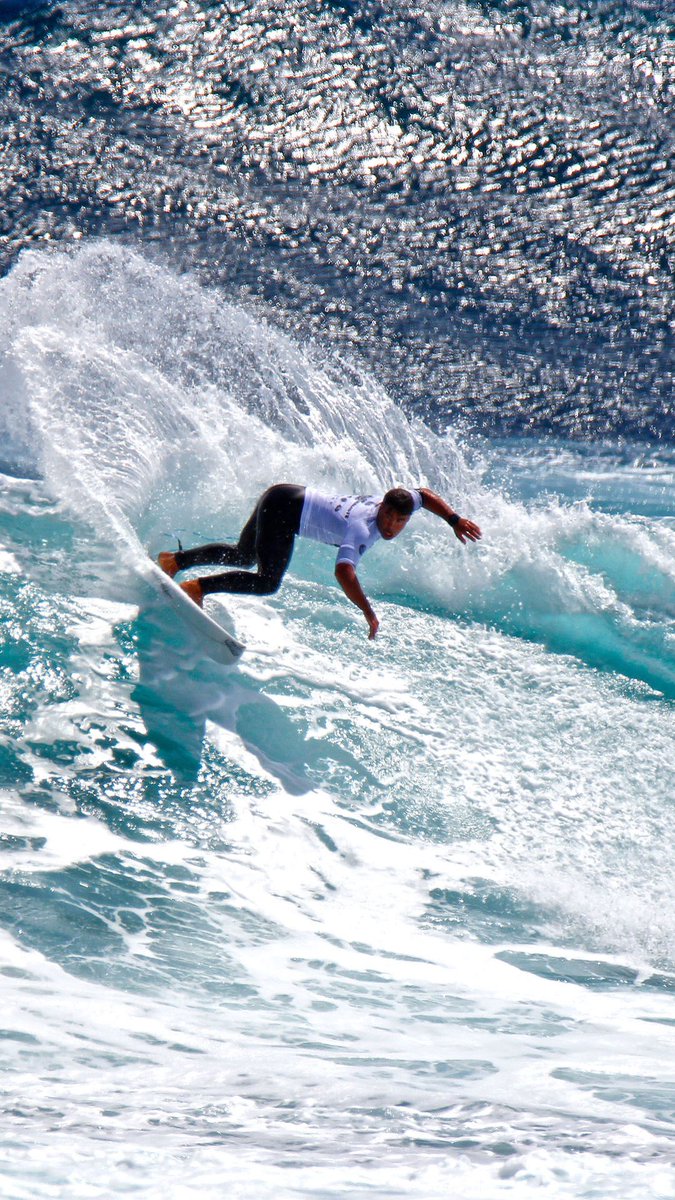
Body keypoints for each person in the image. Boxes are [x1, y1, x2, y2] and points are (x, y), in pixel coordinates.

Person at [158, 483, 482, 640]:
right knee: (267, 582)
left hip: (281, 494)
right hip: (285, 512)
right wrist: (368, 612)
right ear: (381, 507)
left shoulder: (401, 504)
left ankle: (174, 561)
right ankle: (197, 588)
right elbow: (343, 572)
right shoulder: (363, 528)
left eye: (400, 521)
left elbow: (423, 496)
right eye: (388, 517)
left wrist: (453, 519)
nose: (391, 526)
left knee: (244, 555)